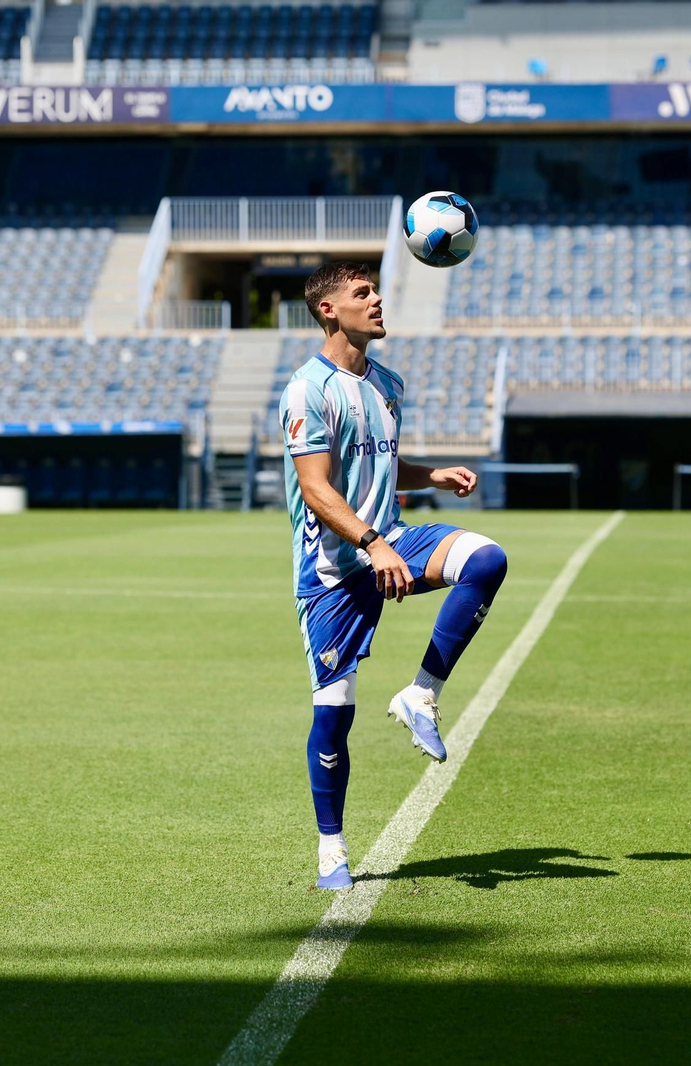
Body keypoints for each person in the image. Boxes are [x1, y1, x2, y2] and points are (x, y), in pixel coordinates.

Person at [279, 261, 509, 891]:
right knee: (335, 713)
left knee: (486, 558)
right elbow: (318, 488)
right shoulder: (306, 389)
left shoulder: (386, 382)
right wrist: (374, 544)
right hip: (333, 571)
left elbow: (379, 460)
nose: (378, 300)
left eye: (376, 290)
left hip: (391, 539)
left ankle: (421, 694)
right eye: (362, 293)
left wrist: (429, 475)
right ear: (329, 310)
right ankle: (332, 849)